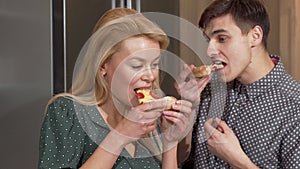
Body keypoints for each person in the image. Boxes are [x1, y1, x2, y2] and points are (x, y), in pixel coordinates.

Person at [38, 8, 197, 169]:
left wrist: (169, 142)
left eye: (154, 64)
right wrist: (121, 135)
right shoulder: (68, 112)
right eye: (136, 65)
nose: (150, 76)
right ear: (102, 65)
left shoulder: (151, 118)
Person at [177, 0, 300, 168]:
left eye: (222, 38)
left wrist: (237, 161)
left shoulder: (294, 108)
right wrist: (188, 108)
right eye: (209, 40)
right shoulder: (208, 90)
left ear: (255, 36)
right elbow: (181, 159)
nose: (209, 51)